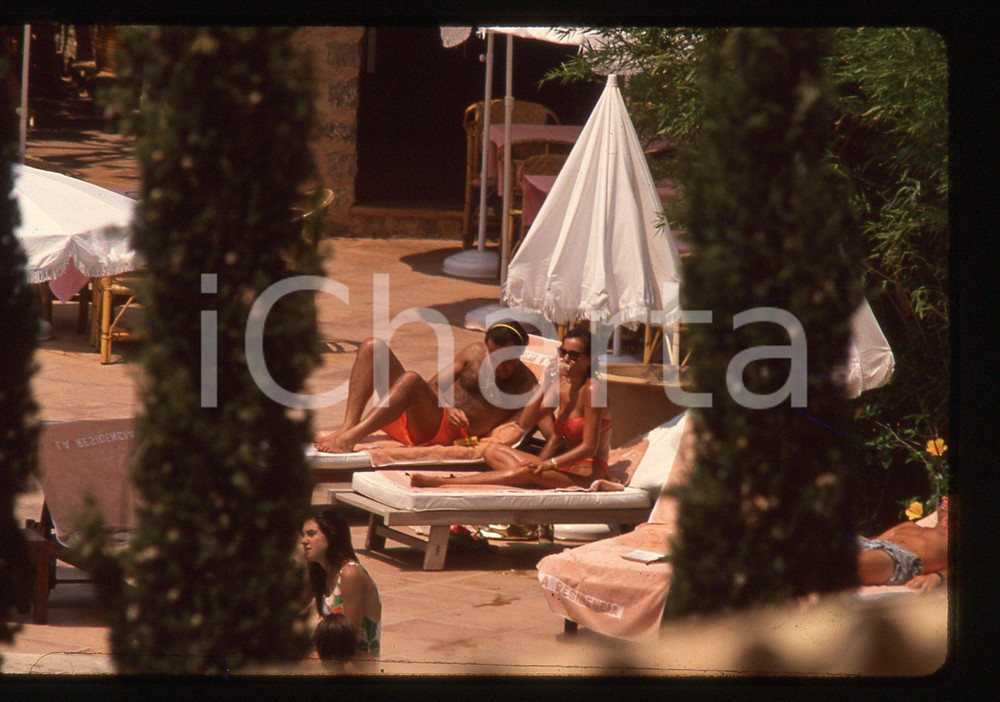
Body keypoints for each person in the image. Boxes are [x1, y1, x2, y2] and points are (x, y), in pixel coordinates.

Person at [410, 328, 612, 489]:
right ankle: (531, 478)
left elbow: (588, 447)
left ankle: (445, 483)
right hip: (560, 466)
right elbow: (526, 422)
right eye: (563, 353)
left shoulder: (593, 390)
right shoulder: (563, 387)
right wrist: (545, 384)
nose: (566, 360)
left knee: (526, 472)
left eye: (574, 355)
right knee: (492, 451)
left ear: (590, 360)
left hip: (585, 474)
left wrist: (547, 465)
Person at [314, 320, 538, 453]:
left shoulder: (527, 388)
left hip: (439, 433)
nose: (500, 366)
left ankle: (350, 439)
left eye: (507, 360)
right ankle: (348, 426)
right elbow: (435, 385)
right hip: (415, 414)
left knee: (411, 378)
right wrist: (448, 408)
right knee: (373, 347)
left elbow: (509, 434)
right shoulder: (474, 353)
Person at [301, 508, 382, 658]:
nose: (304, 540)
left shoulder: (350, 574)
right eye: (303, 535)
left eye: (311, 534)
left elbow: (348, 641)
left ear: (331, 536)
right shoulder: (324, 575)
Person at [857, 496, 950, 594]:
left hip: (900, 556)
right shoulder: (908, 525)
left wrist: (938, 577)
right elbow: (872, 544)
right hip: (875, 547)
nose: (944, 498)